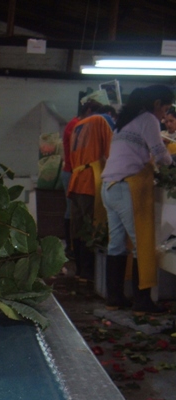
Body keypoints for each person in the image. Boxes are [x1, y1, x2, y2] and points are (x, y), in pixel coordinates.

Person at [101, 84, 175, 315]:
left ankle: (114, 297)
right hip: (126, 186)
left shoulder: (123, 123)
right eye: (165, 108)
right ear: (156, 104)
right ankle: (142, 302)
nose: (165, 114)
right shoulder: (148, 119)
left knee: (116, 244)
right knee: (141, 243)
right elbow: (160, 155)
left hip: (109, 187)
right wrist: (171, 161)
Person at [67, 100, 113, 286]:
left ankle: (79, 270)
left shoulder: (79, 124)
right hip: (90, 181)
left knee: (77, 227)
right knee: (91, 227)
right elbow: (112, 151)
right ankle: (88, 272)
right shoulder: (102, 121)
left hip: (76, 179)